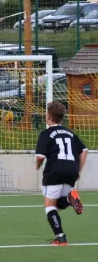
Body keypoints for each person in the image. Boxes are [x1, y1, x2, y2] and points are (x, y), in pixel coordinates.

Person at [35, 101, 87, 246]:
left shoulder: (46, 134)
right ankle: (70, 198)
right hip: (71, 171)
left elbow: (40, 157)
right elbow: (84, 151)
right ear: (62, 118)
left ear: (48, 116)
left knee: (49, 206)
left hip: (54, 171)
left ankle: (60, 238)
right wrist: (78, 170)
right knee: (58, 204)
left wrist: (37, 166)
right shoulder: (70, 133)